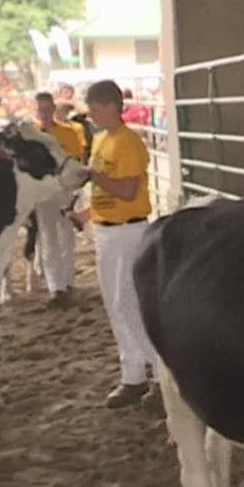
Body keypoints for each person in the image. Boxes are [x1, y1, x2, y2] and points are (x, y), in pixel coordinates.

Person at [84, 79, 160, 409]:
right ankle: (132, 374)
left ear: (109, 107)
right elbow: (107, 190)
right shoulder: (101, 140)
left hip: (128, 232)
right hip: (106, 230)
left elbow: (128, 191)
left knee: (130, 304)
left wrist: (91, 176)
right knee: (117, 307)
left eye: (94, 109)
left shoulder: (128, 142)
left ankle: (158, 375)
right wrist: (86, 212)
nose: (91, 116)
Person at [34, 91, 87, 308]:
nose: (45, 114)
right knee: (47, 237)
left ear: (54, 110)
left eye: (48, 110)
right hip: (43, 191)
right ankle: (55, 286)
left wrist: (74, 193)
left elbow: (74, 163)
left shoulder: (69, 133)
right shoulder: (32, 136)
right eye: (41, 110)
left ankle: (67, 283)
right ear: (36, 111)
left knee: (65, 235)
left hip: (63, 191)